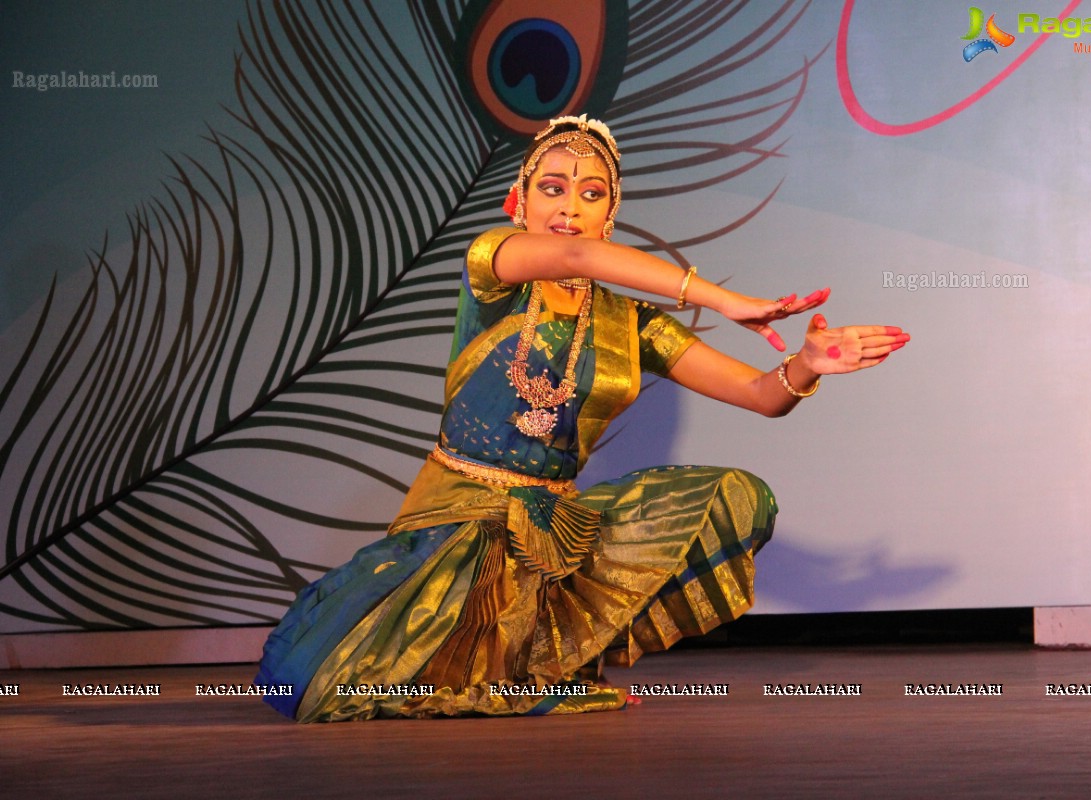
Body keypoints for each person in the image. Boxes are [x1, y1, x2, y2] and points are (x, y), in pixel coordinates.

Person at [254, 115, 909, 721]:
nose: (569, 209)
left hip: (553, 534)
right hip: (456, 523)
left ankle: (535, 653)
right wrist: (725, 300)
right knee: (327, 683)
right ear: (520, 199)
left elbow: (763, 395)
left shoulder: (633, 324)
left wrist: (808, 365)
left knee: (737, 498)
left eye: (591, 194)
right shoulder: (494, 267)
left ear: (610, 213)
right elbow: (573, 260)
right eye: (553, 188)